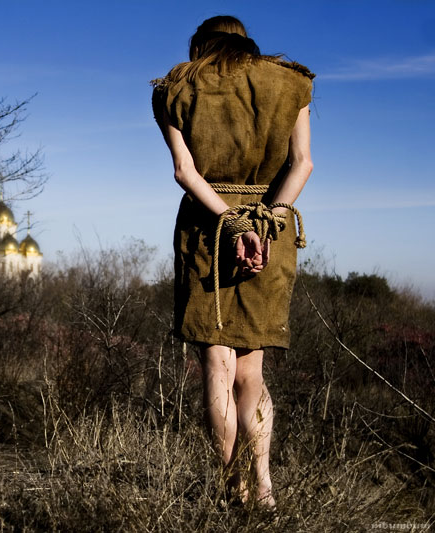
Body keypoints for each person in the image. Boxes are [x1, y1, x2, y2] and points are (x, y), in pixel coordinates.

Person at [152, 15, 314, 509]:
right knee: (252, 371)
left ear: (200, 45)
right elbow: (302, 164)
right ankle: (264, 488)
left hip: (208, 229)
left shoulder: (175, 88)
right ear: (245, 42)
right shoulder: (291, 83)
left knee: (217, 366)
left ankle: (234, 487)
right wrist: (265, 224)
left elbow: (185, 172)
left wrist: (233, 223)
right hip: (270, 227)